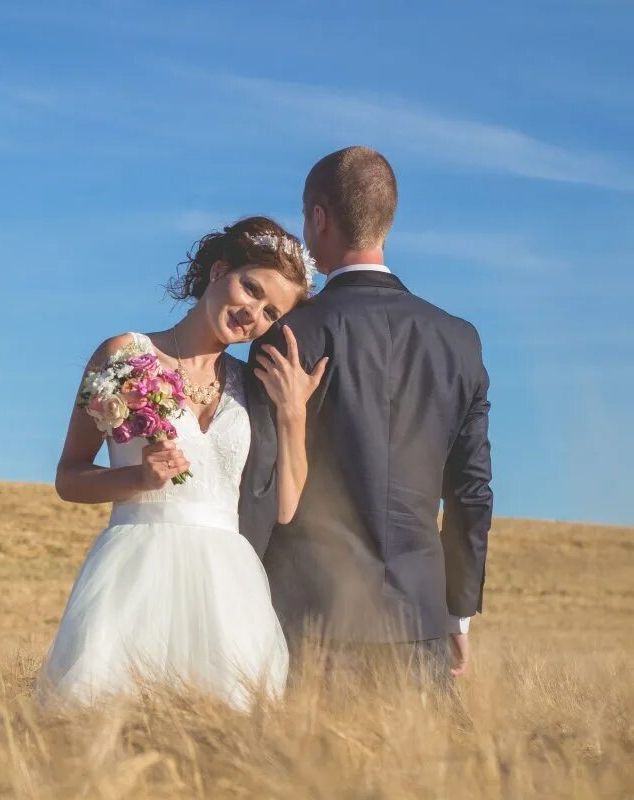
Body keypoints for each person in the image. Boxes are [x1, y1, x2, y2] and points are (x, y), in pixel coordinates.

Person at [40, 216, 327, 709]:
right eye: (250, 288)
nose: (252, 313)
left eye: (270, 313)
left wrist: (293, 414)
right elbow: (69, 476)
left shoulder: (253, 387)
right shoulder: (124, 354)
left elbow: (288, 505)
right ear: (219, 271)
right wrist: (136, 477)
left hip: (228, 589)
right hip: (136, 574)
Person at [253, 147, 493, 688]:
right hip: (421, 619)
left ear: (318, 218)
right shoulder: (459, 341)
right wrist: (457, 612)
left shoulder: (288, 335)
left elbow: (261, 484)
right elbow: (472, 492)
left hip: (307, 619)